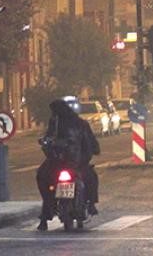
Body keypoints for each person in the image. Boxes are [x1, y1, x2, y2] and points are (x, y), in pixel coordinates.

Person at [36, 98, 100, 231]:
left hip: (71, 162)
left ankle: (89, 204)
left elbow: (90, 142)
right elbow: (48, 138)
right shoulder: (59, 123)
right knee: (43, 177)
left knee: (91, 178)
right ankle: (46, 214)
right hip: (65, 162)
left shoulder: (78, 124)